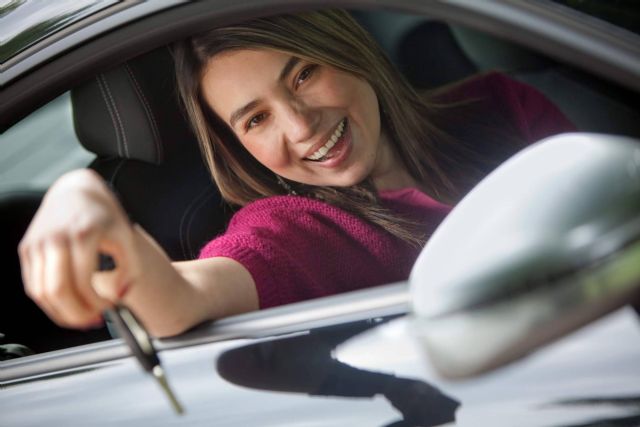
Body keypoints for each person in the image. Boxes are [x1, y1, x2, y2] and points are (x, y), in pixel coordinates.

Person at [18, 10, 575, 338]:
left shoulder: (498, 104)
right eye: (257, 118)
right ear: (238, 146)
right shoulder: (296, 232)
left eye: (304, 75)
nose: (301, 125)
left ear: (347, 49)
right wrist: (78, 193)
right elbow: (181, 296)